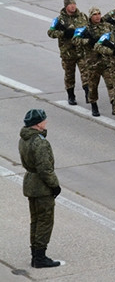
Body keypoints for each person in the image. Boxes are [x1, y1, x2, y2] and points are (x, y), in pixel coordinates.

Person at [19, 109, 62, 268]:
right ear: (37, 124)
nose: (46, 122)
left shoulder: (24, 138)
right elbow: (45, 168)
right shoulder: (40, 142)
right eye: (44, 120)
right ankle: (40, 257)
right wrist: (54, 185)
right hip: (41, 187)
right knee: (45, 221)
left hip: (31, 183)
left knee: (35, 220)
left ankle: (35, 254)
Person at [47, 0, 88, 106]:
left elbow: (89, 28)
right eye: (70, 5)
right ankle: (71, 95)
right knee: (69, 75)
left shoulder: (82, 16)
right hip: (68, 52)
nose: (73, 6)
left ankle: (88, 94)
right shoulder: (59, 20)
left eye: (74, 4)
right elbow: (50, 33)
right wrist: (64, 34)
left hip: (81, 52)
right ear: (66, 7)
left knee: (86, 74)